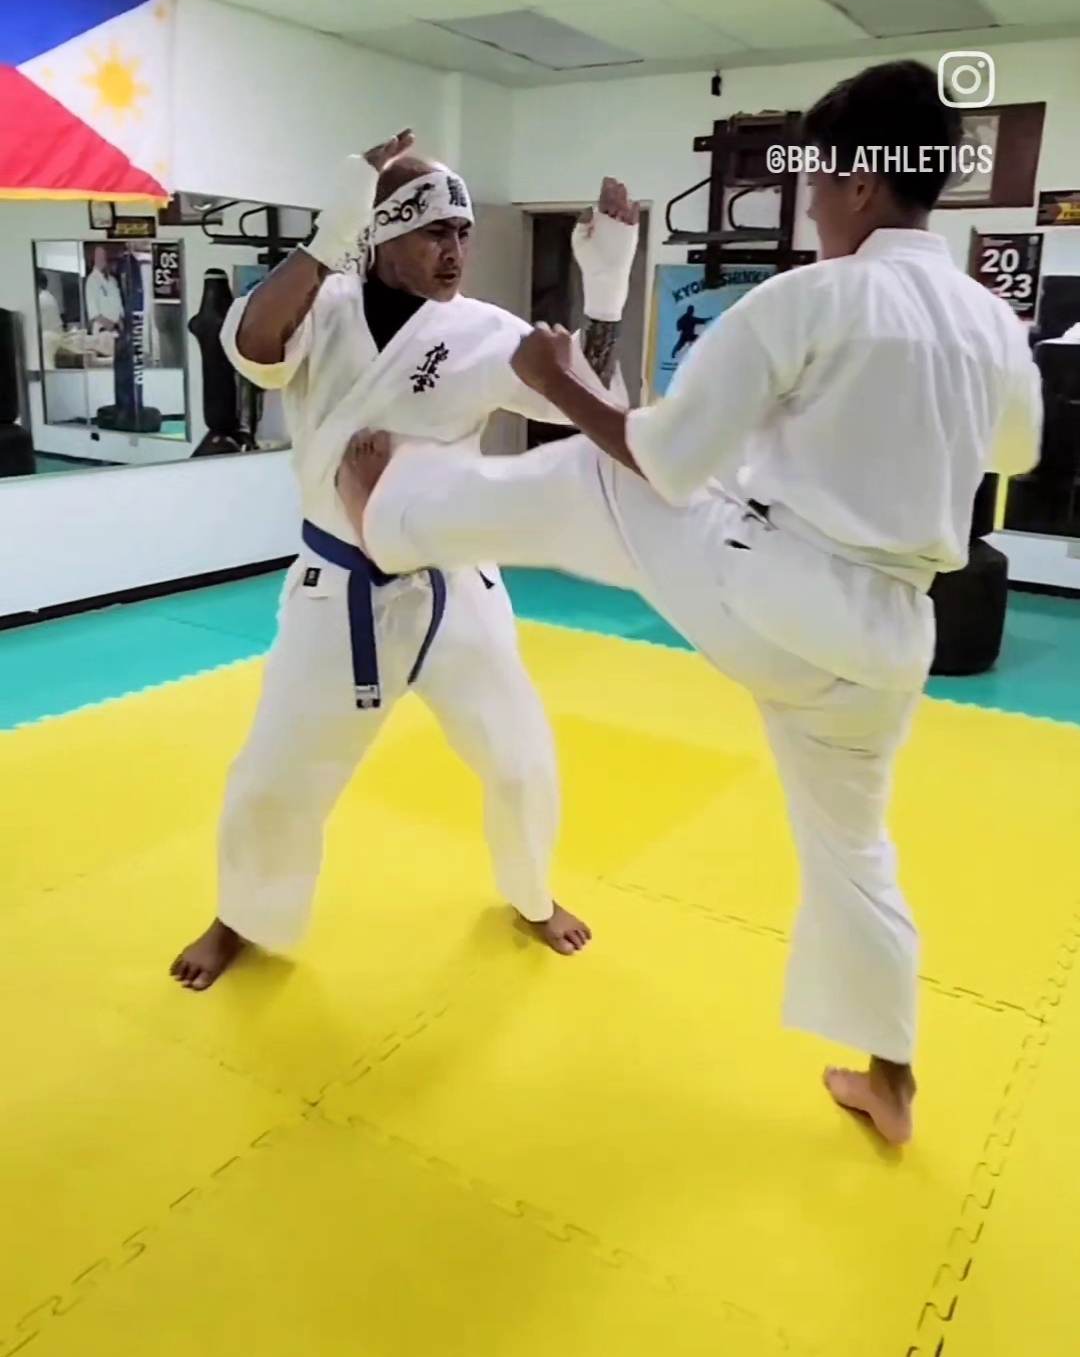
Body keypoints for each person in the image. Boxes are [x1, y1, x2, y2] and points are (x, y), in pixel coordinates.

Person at [338, 61, 1043, 1144]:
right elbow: (1015, 450)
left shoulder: (809, 299)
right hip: (897, 638)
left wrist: (561, 377)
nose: (812, 206)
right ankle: (890, 1077)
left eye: (816, 184)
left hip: (778, 602)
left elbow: (658, 457)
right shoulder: (992, 323)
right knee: (856, 851)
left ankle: (386, 512)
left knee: (594, 476)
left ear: (860, 183)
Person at [171, 130, 641, 990]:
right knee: (275, 774)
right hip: (336, 587)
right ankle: (242, 914)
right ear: (380, 234)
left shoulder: (483, 331)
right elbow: (254, 345)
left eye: (462, 232)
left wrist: (604, 290)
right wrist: (324, 237)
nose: (455, 250)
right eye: (433, 233)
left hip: (455, 583)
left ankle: (531, 894)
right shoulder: (328, 306)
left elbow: (582, 399)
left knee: (522, 756)